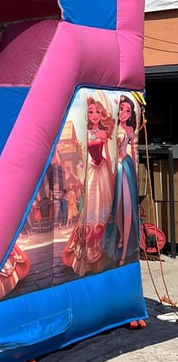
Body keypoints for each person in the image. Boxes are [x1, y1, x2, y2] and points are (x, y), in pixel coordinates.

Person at [62, 97, 115, 276]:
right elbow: (84, 158)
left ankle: (99, 248)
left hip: (101, 171)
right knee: (89, 209)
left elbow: (107, 155)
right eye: (91, 111)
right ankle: (86, 251)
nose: (94, 115)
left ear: (102, 114)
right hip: (91, 171)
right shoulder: (86, 133)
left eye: (97, 112)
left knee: (101, 207)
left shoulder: (103, 134)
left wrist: (110, 172)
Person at [105, 95, 141, 265]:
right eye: (121, 109)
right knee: (117, 207)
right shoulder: (112, 127)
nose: (123, 113)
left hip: (125, 166)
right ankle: (120, 236)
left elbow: (133, 152)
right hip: (116, 167)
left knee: (127, 207)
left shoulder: (129, 130)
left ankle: (125, 250)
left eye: (127, 110)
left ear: (131, 114)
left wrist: (134, 171)